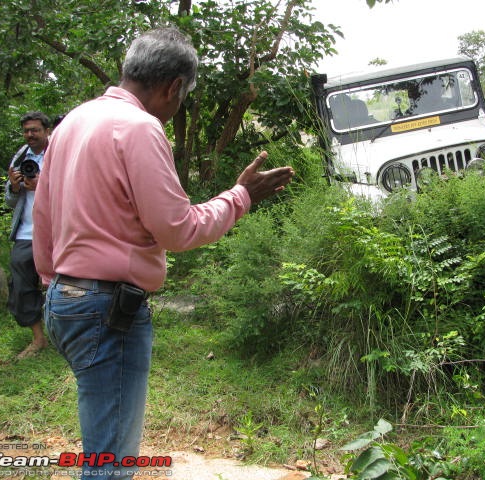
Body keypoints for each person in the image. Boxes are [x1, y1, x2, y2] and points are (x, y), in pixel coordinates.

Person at [33, 27, 294, 479]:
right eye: (184, 97)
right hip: (107, 310)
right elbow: (178, 230)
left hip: (64, 300)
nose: (179, 108)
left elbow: (43, 217)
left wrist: (55, 285)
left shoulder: (74, 121)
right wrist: (241, 196)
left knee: (102, 444)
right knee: (110, 462)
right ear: (174, 87)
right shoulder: (139, 128)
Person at [5, 111, 51, 359]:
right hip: (25, 232)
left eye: (34, 130)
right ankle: (38, 338)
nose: (30, 135)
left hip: (55, 231)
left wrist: (42, 184)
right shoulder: (21, 157)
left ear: (46, 130)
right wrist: (14, 186)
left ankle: (66, 334)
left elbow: (74, 190)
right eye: (26, 131)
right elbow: (9, 201)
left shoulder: (59, 152)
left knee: (61, 281)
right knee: (22, 284)